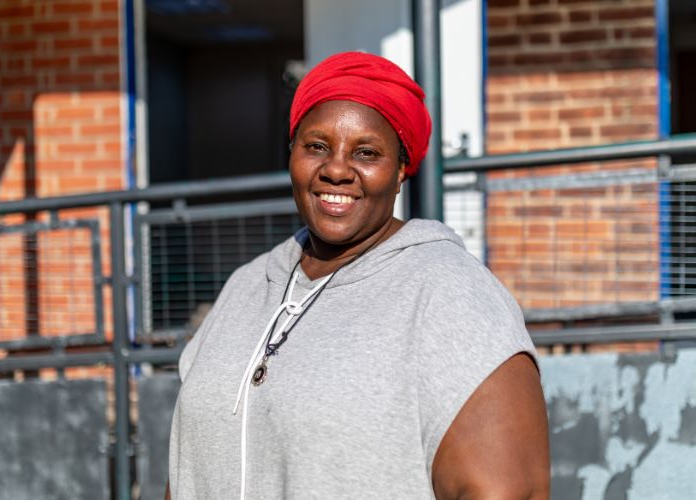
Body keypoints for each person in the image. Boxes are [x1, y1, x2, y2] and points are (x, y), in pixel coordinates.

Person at [167, 51, 549, 499]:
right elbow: (184, 469)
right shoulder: (247, 287)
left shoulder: (449, 294)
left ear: (402, 168)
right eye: (317, 146)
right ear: (292, 153)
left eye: (366, 153)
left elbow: (507, 491)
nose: (337, 169)